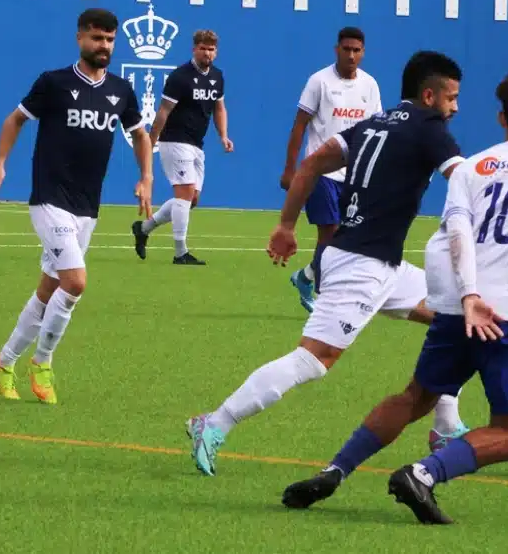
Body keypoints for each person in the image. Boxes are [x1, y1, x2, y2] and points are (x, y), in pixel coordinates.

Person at [279, 67, 508, 524]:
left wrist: (467, 295)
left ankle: (335, 470)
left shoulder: (474, 166)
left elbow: (456, 230)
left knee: (415, 397)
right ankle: (423, 473)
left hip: (458, 307)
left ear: (501, 117)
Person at [185, 51, 487, 477]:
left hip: (381, 264)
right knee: (313, 361)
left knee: (458, 318)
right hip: (359, 267)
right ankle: (213, 423)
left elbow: (310, 164)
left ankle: (445, 424)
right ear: (428, 95)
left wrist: (286, 226)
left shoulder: (372, 124)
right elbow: (463, 178)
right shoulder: (429, 127)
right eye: (451, 98)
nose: (455, 108)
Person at [0, 8, 153, 404]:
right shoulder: (54, 83)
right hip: (49, 197)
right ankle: (42, 363)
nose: (104, 46)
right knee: (75, 282)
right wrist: (0, 164)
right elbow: (15, 120)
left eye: (110, 40)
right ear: (80, 39)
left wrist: (146, 178)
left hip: (86, 205)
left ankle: (3, 363)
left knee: (50, 288)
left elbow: (141, 135)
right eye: (97, 38)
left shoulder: (121, 90)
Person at [282, 27, 382, 313]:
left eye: (356, 50)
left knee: (345, 239)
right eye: (346, 49)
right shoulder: (319, 82)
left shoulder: (370, 86)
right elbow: (299, 126)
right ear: (336, 49)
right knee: (330, 233)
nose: (351, 55)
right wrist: (291, 171)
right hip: (321, 172)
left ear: (363, 53)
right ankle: (325, 300)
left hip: (353, 174)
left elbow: (376, 130)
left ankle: (306, 277)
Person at [131, 29, 233, 265]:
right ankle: (180, 253)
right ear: (194, 49)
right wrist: (151, 141)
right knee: (184, 193)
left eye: (211, 49)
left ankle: (143, 229)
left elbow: (219, 108)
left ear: (216, 52)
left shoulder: (217, 76)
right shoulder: (180, 76)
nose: (207, 53)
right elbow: (163, 111)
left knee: (191, 198)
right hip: (174, 140)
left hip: (197, 143)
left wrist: (224, 136)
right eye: (203, 48)